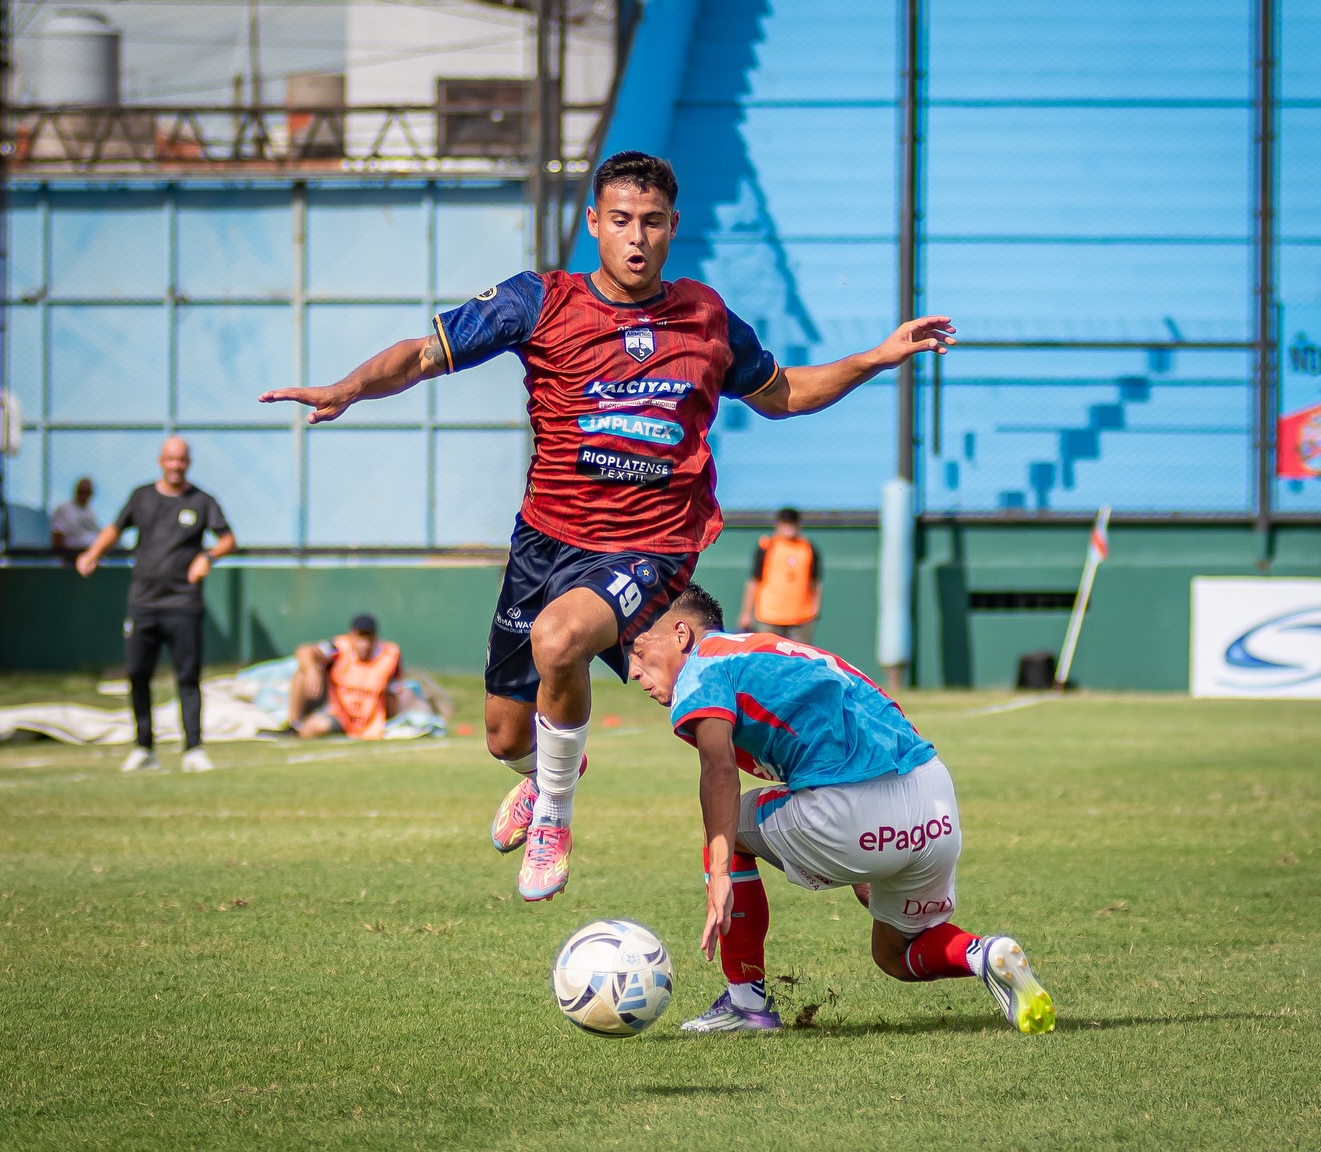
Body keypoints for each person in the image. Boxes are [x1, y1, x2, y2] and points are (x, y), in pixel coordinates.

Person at [258, 150, 956, 902]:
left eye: (652, 222)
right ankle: (548, 773)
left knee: (560, 638)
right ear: (594, 222)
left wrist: (878, 356)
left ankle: (555, 818)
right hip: (544, 539)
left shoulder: (707, 317)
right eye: (621, 220)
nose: (637, 237)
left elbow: (782, 392)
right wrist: (349, 388)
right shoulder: (538, 301)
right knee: (504, 736)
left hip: (651, 546)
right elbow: (424, 355)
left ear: (673, 226)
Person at [628, 585, 1056, 1035]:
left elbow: (718, 771)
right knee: (893, 954)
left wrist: (719, 875)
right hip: (933, 801)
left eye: (638, 651)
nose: (633, 671)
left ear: (681, 634)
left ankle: (747, 1004)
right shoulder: (773, 650)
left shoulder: (702, 665)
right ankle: (984, 954)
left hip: (853, 813)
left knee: (725, 830)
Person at [76, 437, 236, 774]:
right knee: (137, 675)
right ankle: (144, 748)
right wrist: (93, 553)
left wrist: (207, 557)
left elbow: (228, 539)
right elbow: (114, 528)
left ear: (188, 462)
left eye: (182, 460)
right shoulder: (141, 496)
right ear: (161, 461)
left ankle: (193, 749)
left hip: (183, 603)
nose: (176, 466)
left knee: (188, 677)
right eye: (171, 459)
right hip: (144, 603)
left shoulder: (202, 501)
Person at [288, 614, 407, 740]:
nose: (364, 645)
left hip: (370, 718)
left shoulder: (389, 655)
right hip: (340, 713)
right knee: (303, 671)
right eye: (360, 638)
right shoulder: (340, 648)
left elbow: (396, 691)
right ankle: (294, 725)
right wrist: (312, 671)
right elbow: (303, 650)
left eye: (368, 639)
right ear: (352, 636)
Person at [737, 506, 821, 642]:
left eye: (792, 523)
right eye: (785, 523)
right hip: (769, 617)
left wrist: (815, 610)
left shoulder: (808, 548)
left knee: (797, 655)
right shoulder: (766, 546)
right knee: (768, 654)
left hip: (801, 619)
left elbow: (815, 582)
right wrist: (746, 613)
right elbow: (754, 581)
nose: (789, 527)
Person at [50, 477, 100, 554]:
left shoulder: (91, 513)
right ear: (75, 491)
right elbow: (57, 536)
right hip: (72, 555)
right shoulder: (64, 509)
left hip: (90, 555)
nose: (84, 495)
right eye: (81, 491)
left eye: (87, 492)